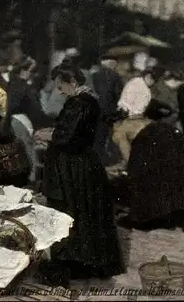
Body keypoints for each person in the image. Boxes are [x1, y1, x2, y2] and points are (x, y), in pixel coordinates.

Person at [40, 62, 124, 285]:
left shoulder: (79, 102)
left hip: (73, 168)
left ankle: (73, 265)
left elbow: (66, 136)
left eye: (61, 86)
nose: (59, 91)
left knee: (70, 213)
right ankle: (82, 262)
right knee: (83, 214)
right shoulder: (88, 101)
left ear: (73, 83)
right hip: (81, 164)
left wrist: (45, 135)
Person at [109, 68, 157, 172]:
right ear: (148, 77)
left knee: (120, 136)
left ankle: (130, 163)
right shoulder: (145, 90)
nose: (153, 83)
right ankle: (131, 164)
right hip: (131, 117)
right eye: (153, 79)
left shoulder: (135, 81)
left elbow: (125, 102)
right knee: (121, 137)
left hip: (124, 116)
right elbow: (137, 111)